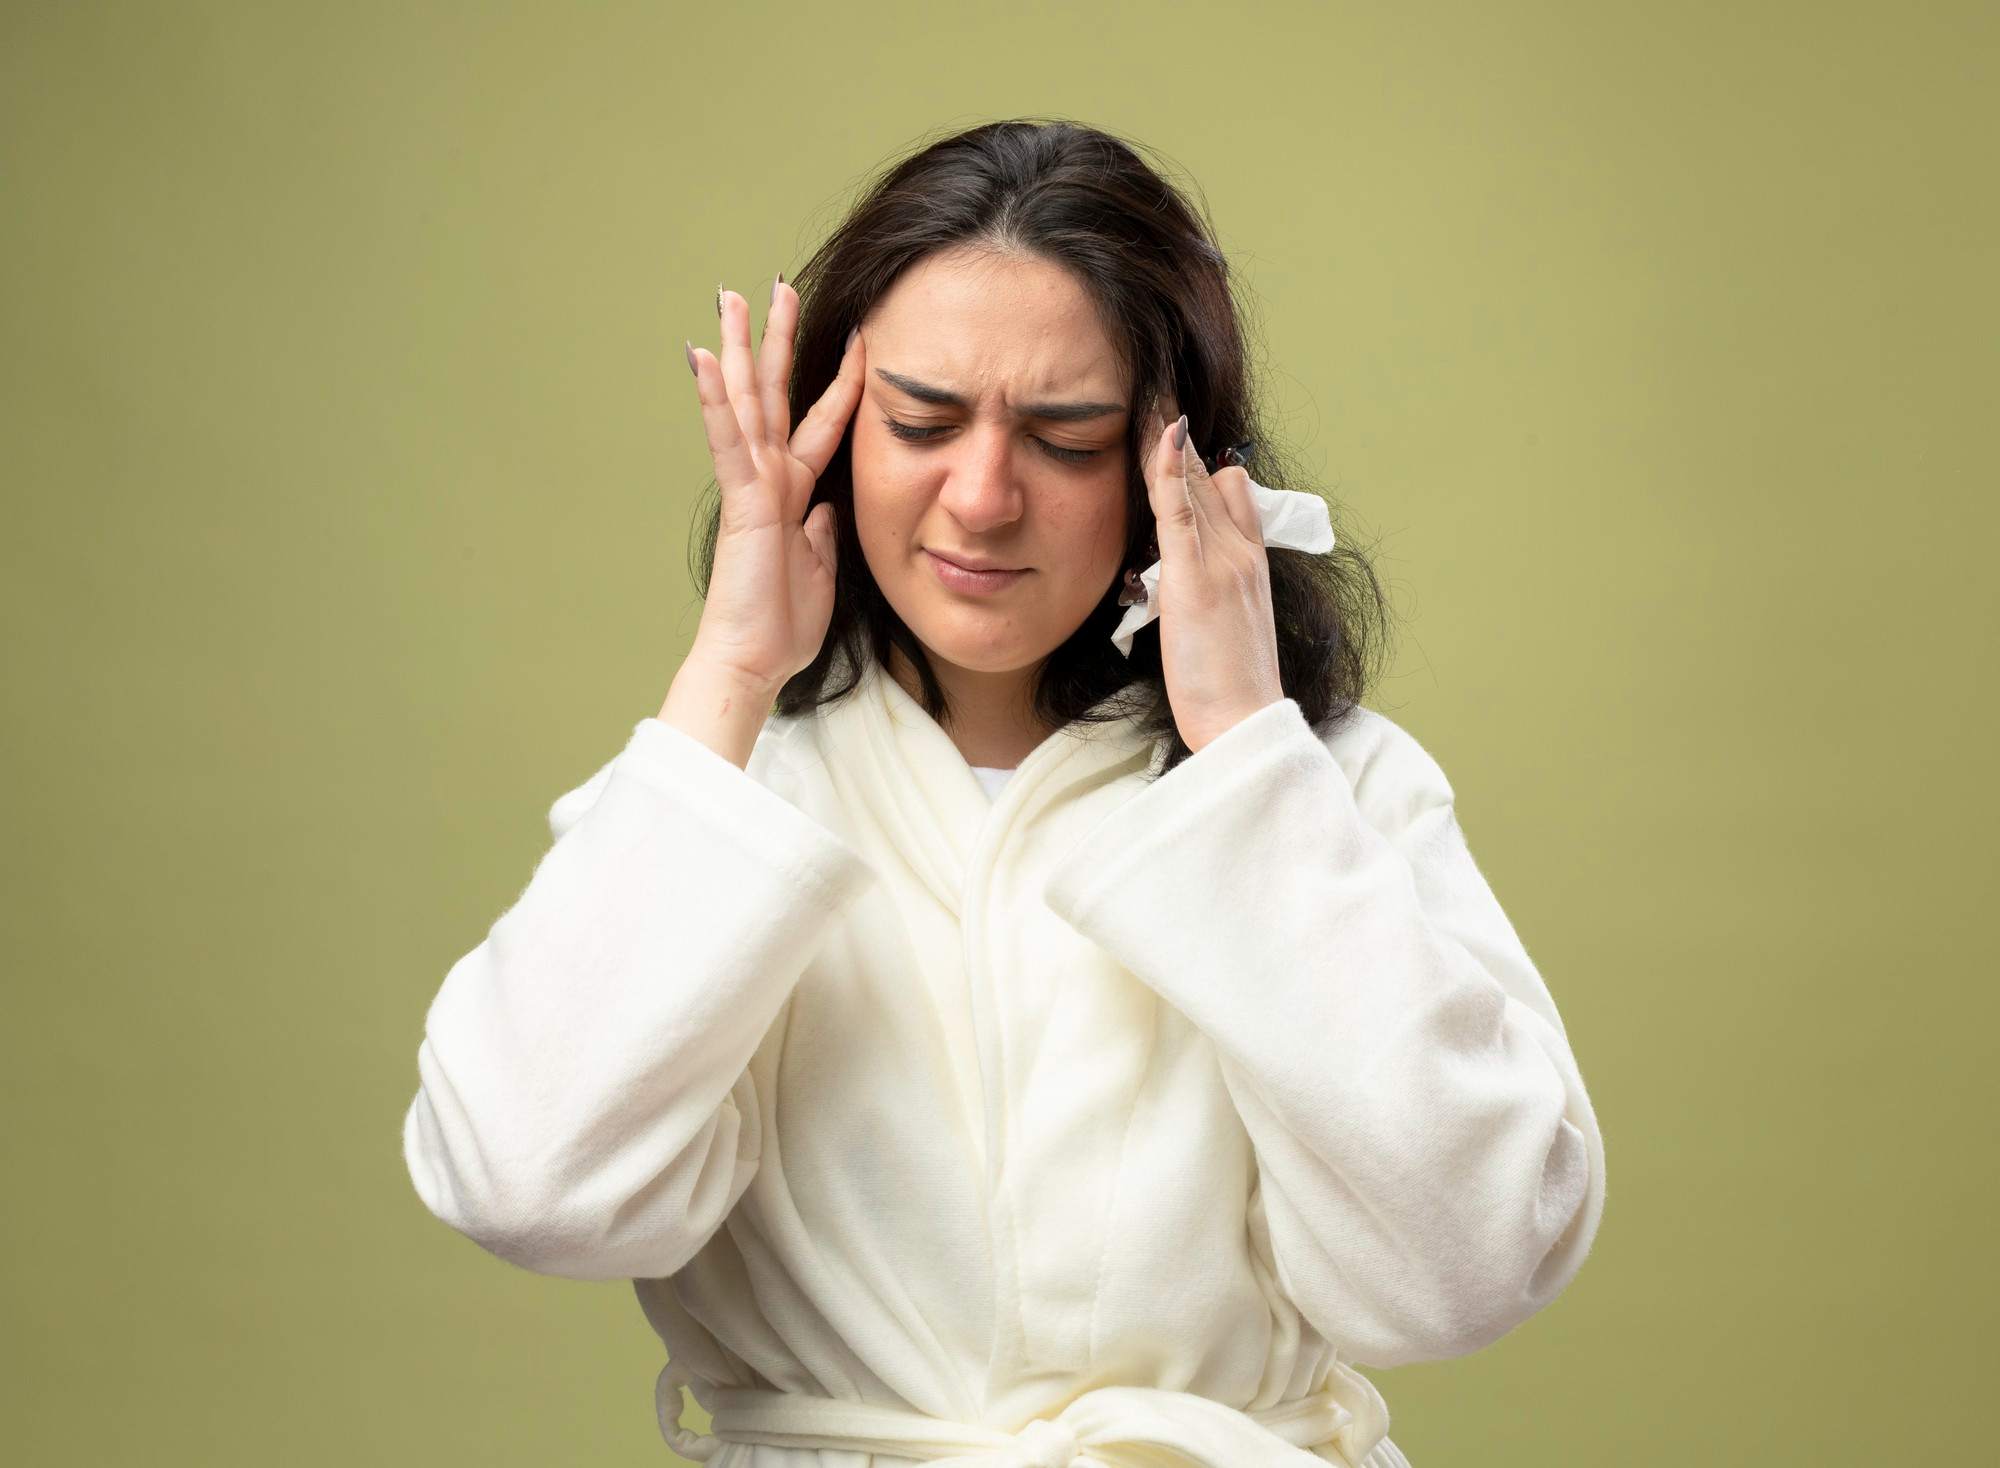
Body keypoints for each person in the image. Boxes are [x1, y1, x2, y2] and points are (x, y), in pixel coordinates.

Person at [401, 118, 1604, 1468]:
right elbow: (524, 1184)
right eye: (920, 421)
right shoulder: (727, 797)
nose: (979, 497)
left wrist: (1248, 757)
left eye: (1065, 437)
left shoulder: (1334, 789)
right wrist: (729, 673)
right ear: (832, 425)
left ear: (1177, 460)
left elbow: (1469, 1269)